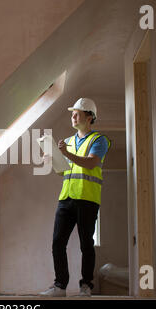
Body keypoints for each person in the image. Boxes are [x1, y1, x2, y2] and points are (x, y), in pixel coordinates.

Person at [39, 98, 110, 297]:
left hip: (87, 198)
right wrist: (52, 160)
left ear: (89, 117)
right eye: (72, 113)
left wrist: (67, 154)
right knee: (57, 242)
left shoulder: (99, 140)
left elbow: (91, 163)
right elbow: (63, 173)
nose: (73, 116)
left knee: (86, 243)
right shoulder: (68, 142)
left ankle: (86, 285)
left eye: (77, 113)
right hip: (66, 197)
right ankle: (60, 285)